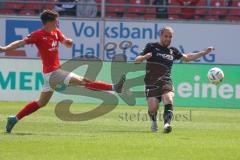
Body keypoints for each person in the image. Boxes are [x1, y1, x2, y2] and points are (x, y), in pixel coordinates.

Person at [0, 10, 126, 133]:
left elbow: (66, 42)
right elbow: (20, 43)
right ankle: (114, 87)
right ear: (48, 22)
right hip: (52, 73)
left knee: (41, 103)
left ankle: (14, 119)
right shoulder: (38, 34)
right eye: (56, 20)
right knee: (83, 81)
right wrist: (5, 48)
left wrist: (68, 42)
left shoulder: (56, 32)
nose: (57, 22)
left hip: (52, 74)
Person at [134, 26, 214, 133]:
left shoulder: (173, 51)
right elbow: (136, 61)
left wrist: (203, 53)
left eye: (170, 37)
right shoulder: (151, 46)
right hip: (151, 82)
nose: (168, 39)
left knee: (168, 99)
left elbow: (187, 58)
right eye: (166, 36)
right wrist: (144, 57)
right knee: (153, 109)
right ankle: (153, 121)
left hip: (166, 81)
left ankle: (167, 125)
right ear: (161, 36)